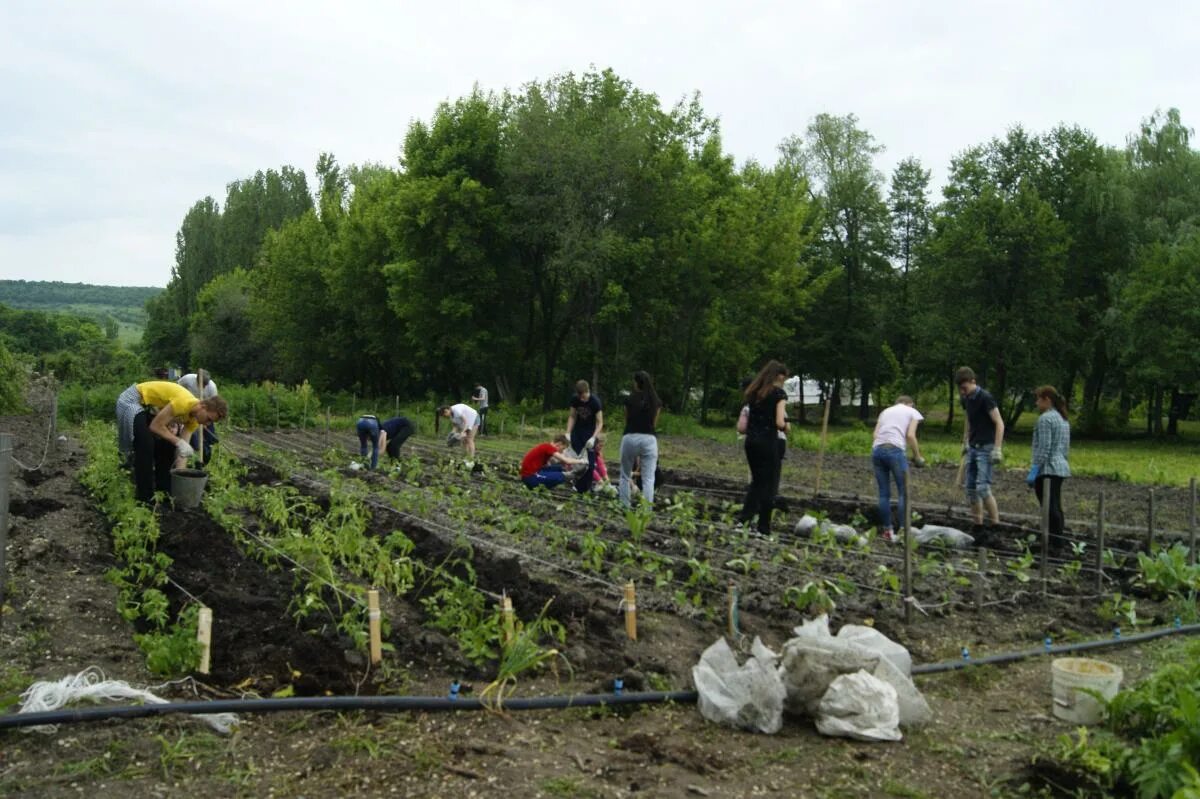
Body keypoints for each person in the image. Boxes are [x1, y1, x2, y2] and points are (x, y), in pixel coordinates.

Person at [115, 380, 228, 504]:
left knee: (167, 445)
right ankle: (144, 497)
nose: (207, 424)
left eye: (211, 422)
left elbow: (181, 451)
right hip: (132, 400)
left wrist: (182, 477)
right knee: (145, 444)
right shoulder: (183, 403)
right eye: (208, 419)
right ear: (203, 407)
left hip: (148, 407)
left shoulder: (194, 420)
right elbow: (155, 426)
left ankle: (164, 492)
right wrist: (178, 442)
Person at [737, 361, 789, 535]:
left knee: (757, 483)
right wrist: (786, 427)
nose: (784, 382)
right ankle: (763, 528)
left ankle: (743, 520)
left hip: (751, 443)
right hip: (768, 442)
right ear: (778, 376)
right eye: (783, 378)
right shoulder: (779, 394)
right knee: (768, 485)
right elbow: (779, 422)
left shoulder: (753, 393)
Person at [871, 396, 927, 542]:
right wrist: (918, 457)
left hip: (877, 451)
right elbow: (910, 435)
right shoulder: (912, 412)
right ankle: (903, 530)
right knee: (904, 492)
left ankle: (887, 531)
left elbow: (875, 434)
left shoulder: (885, 412)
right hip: (895, 451)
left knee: (884, 493)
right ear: (910, 404)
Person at [956, 366, 1006, 525]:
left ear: (973, 381)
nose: (963, 392)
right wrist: (965, 440)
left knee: (983, 489)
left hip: (986, 448)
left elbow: (999, 423)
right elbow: (968, 420)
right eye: (961, 389)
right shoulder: (967, 399)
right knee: (970, 489)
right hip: (973, 447)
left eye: (965, 388)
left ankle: (995, 525)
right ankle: (978, 524)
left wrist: (997, 448)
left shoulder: (986, 398)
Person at [1029, 385, 1071, 543]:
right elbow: (1065, 447)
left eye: (1038, 399)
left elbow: (1044, 447)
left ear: (1047, 400)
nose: (1037, 403)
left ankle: (1053, 540)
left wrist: (1034, 469)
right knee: (1056, 504)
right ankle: (1057, 536)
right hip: (1060, 467)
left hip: (1047, 469)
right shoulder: (1063, 418)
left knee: (1048, 506)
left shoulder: (1045, 419)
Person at [619, 371, 662, 507]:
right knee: (649, 478)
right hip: (649, 439)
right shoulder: (656, 401)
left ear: (636, 382)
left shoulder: (629, 399)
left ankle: (625, 506)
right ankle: (646, 510)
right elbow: (654, 424)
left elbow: (627, 420)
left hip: (630, 437)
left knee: (625, 475)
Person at [566, 379, 604, 493]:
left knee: (590, 465)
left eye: (583, 396)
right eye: (580, 397)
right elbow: (572, 416)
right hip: (577, 433)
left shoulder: (595, 402)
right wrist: (568, 432)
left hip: (590, 434)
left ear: (588, 391)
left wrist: (593, 437)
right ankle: (575, 485)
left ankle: (583, 488)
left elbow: (600, 422)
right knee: (577, 462)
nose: (581, 399)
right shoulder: (575, 399)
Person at [177, 369, 219, 464]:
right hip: (190, 409)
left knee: (210, 437)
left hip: (206, 412)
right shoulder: (187, 379)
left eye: (205, 384)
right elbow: (177, 387)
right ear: (197, 379)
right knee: (192, 434)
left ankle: (206, 455)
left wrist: (206, 422)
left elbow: (215, 406)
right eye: (202, 384)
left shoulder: (212, 387)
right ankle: (193, 453)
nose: (203, 386)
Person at [520, 434, 589, 489]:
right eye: (563, 448)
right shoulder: (548, 447)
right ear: (559, 444)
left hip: (534, 473)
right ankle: (571, 478)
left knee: (559, 468)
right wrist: (582, 461)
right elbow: (566, 460)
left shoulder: (546, 447)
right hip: (530, 477)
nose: (562, 451)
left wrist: (563, 465)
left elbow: (550, 464)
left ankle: (570, 477)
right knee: (560, 476)